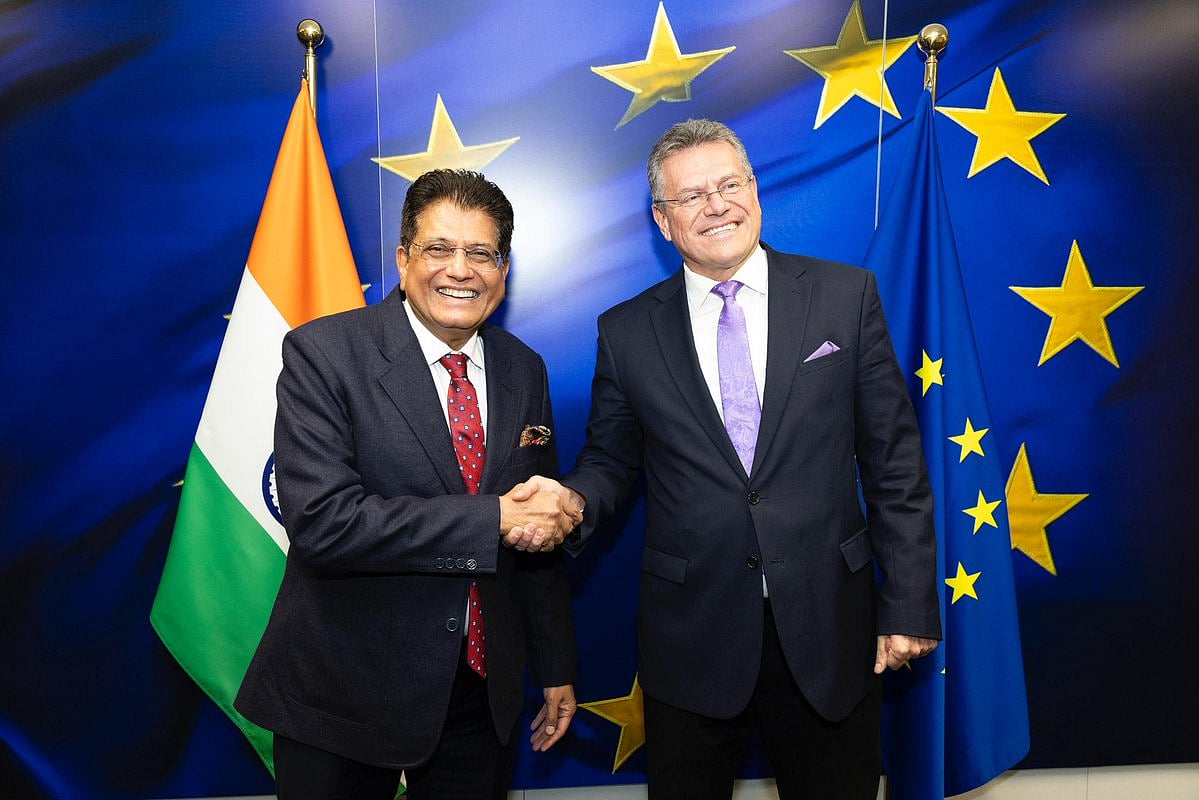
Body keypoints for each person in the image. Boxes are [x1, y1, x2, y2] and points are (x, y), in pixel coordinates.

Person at [524, 119, 942, 799]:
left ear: (753, 188)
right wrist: (571, 502)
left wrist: (909, 605)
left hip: (831, 629)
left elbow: (893, 460)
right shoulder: (625, 332)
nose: (715, 205)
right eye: (690, 197)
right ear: (664, 221)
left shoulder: (844, 297)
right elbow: (610, 461)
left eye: (728, 184)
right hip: (691, 637)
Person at [235, 168, 580, 800]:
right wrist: (490, 520)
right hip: (343, 691)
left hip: (480, 694)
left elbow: (534, 531)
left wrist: (555, 665)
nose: (461, 269)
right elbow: (325, 524)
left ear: (504, 271)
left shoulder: (523, 368)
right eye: (439, 249)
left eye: (482, 253)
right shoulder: (323, 353)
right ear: (402, 259)